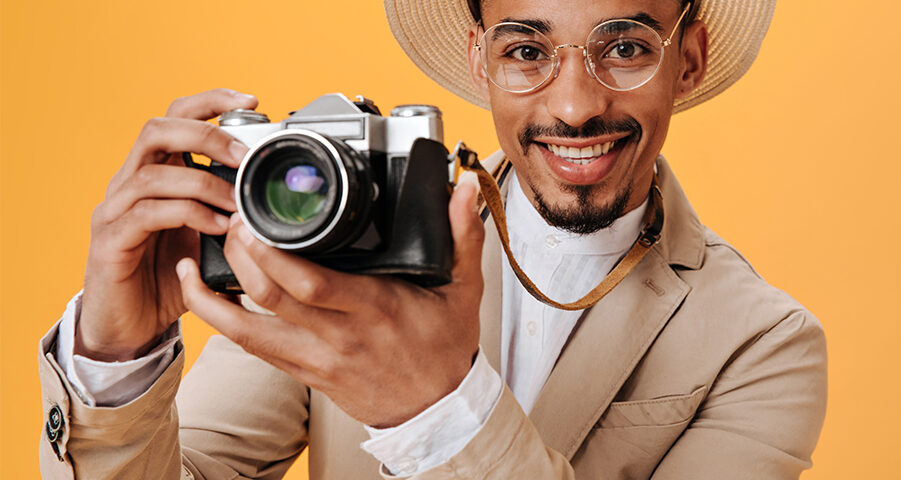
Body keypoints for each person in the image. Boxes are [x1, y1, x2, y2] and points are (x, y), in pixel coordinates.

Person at [37, 0, 828, 478]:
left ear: (686, 60)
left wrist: (437, 407)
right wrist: (114, 363)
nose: (578, 105)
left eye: (625, 47)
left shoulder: (762, 342)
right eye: (527, 50)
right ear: (480, 60)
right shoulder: (328, 252)